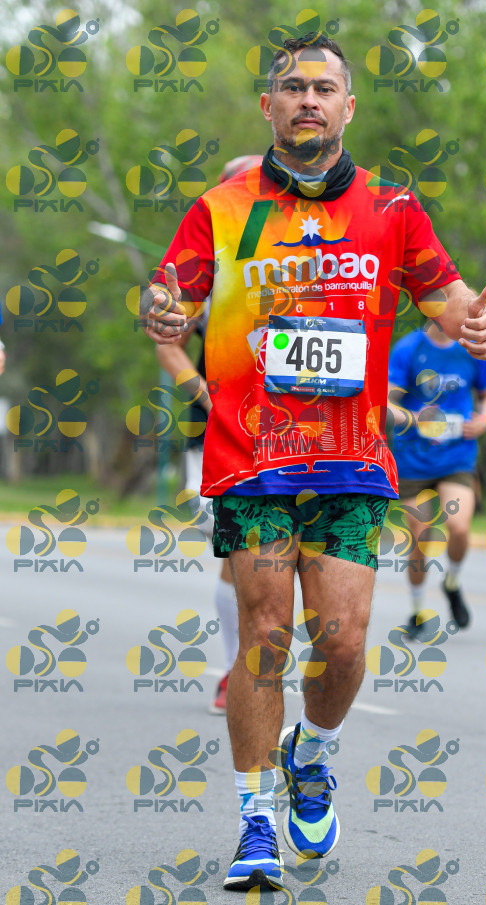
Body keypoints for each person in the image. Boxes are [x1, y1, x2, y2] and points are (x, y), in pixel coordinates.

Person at [142, 33, 486, 892]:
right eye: (293, 87)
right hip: (252, 455)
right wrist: (164, 310)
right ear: (268, 106)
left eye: (324, 88)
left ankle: (315, 751)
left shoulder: (393, 207)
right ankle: (254, 821)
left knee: (341, 643)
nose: (308, 99)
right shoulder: (221, 207)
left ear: (348, 107)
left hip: (349, 458)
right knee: (264, 635)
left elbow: (449, 299)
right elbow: (172, 293)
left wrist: (476, 323)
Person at [155, 155, 263, 714]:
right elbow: (168, 344)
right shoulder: (210, 262)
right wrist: (206, 394)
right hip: (221, 429)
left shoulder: (305, 256)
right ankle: (234, 668)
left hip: (296, 431)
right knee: (237, 548)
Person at [388, 319, 486, 635]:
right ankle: (417, 612)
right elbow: (387, 403)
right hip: (414, 459)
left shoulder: (471, 349)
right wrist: (415, 418)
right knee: (421, 536)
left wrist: (484, 419)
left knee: (459, 528)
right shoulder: (408, 349)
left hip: (457, 457)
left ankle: (452, 582)